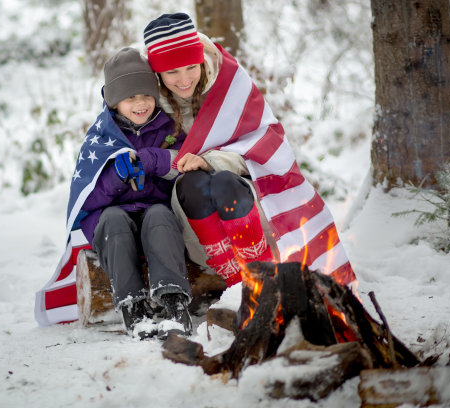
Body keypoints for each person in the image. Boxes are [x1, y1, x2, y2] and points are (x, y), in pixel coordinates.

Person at [142, 13, 357, 289]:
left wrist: (209, 161)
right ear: (157, 72)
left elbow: (265, 148)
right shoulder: (147, 105)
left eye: (191, 68)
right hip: (195, 224)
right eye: (172, 72)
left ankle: (262, 271)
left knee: (224, 181)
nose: (184, 80)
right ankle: (235, 283)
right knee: (193, 182)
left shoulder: (229, 85)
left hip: (246, 210)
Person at [75, 47, 192, 339]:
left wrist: (155, 161)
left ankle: (174, 301)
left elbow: (187, 165)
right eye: (130, 98)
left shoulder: (170, 128)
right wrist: (116, 177)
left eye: (146, 95)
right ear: (114, 102)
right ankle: (132, 305)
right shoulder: (100, 138)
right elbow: (85, 197)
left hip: (155, 209)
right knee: (113, 219)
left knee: (159, 215)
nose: (140, 104)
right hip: (111, 219)